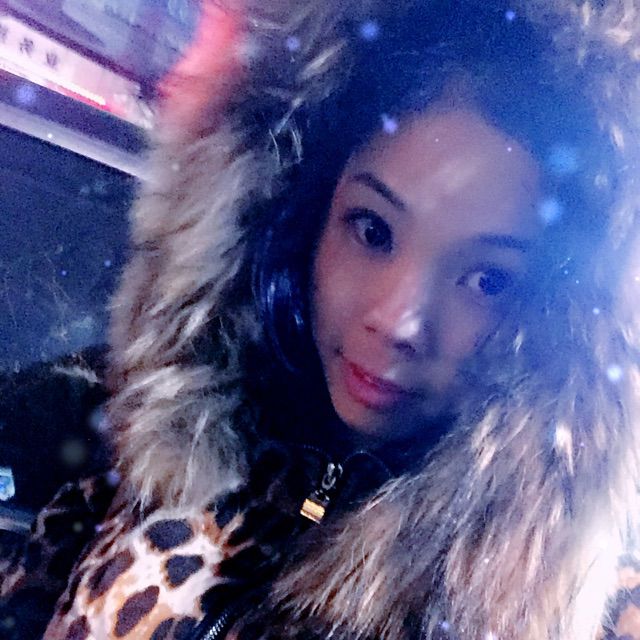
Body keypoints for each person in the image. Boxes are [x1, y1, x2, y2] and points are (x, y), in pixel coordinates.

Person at [2, 0, 640, 639]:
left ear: (563, 324)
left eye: (487, 280)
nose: (398, 322)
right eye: (373, 230)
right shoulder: (161, 461)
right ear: (301, 215)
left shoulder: (569, 616)